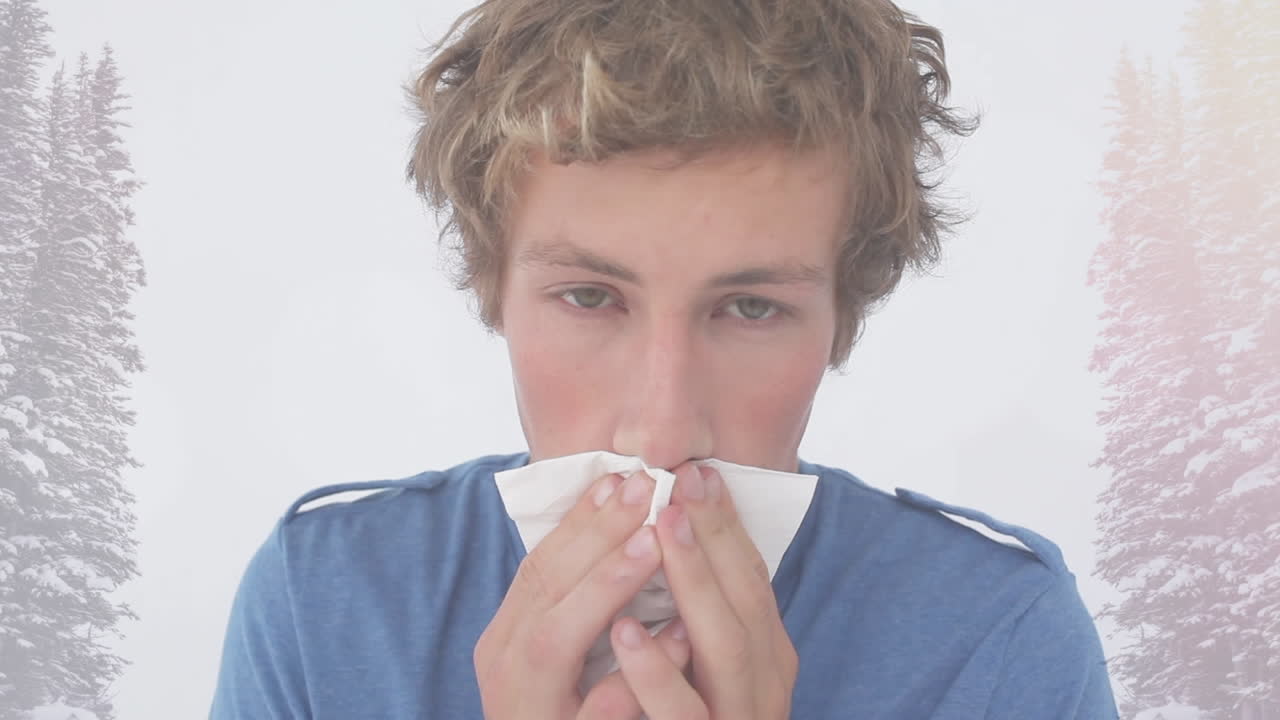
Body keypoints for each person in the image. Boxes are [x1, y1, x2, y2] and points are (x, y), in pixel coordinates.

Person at [210, 0, 1120, 718]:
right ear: (494, 290)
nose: (662, 431)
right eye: (591, 298)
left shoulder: (997, 635)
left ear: (843, 318)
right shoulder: (327, 603)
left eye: (753, 308)